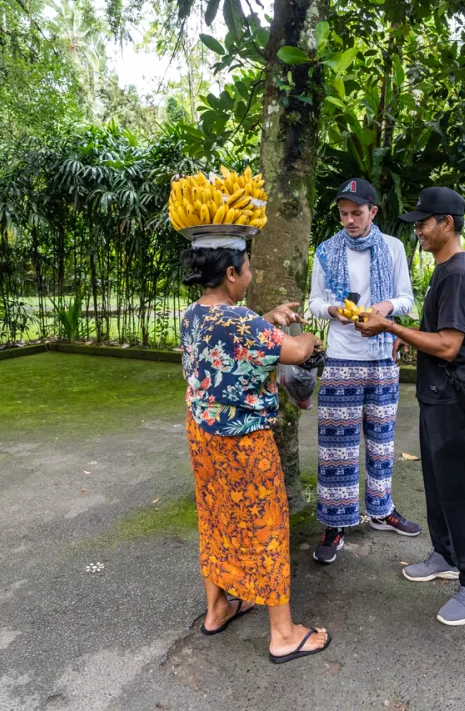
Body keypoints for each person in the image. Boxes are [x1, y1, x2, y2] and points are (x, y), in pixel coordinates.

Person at [179, 236, 332, 664]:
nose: (250, 274)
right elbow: (297, 350)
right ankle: (283, 634)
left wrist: (267, 320)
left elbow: (229, 338)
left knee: (215, 517)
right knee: (266, 525)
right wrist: (311, 340)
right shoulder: (246, 325)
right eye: (247, 267)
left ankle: (217, 608)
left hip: (203, 437)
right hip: (243, 443)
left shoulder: (193, 314)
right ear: (231, 273)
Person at [356, 187, 465, 626]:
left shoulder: (457, 273)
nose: (417, 229)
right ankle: (446, 555)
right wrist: (407, 335)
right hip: (437, 396)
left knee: (458, 488)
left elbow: (449, 346)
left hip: (454, 399)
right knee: (437, 482)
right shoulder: (445, 269)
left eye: (424, 222)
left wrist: (390, 326)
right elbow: (438, 332)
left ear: (446, 224)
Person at [307, 179, 420, 564]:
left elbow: (407, 298)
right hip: (341, 358)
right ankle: (336, 523)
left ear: (373, 211)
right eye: (343, 214)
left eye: (357, 213)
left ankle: (381, 510)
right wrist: (333, 310)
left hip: (382, 357)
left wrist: (385, 308)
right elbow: (314, 302)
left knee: (382, 442)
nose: (350, 220)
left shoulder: (393, 248)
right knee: (336, 447)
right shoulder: (326, 251)